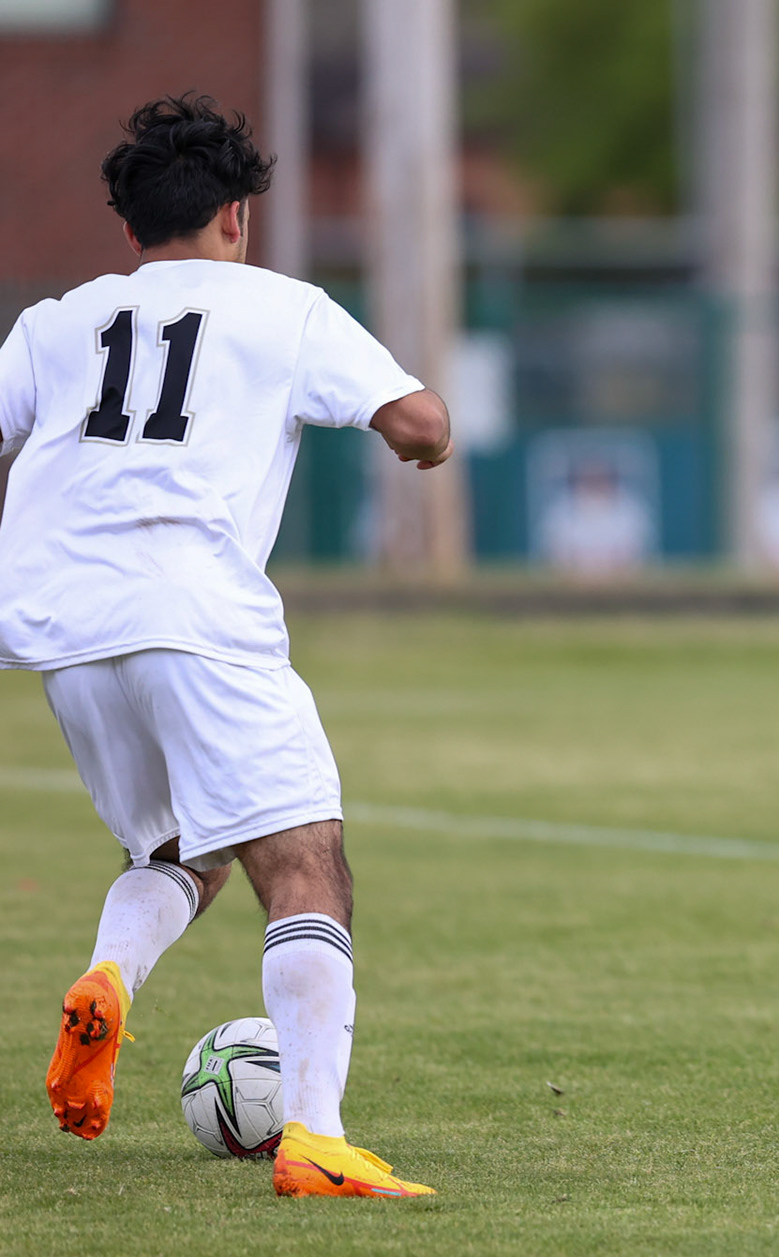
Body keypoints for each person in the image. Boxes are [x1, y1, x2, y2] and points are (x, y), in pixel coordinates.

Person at [0, 95, 447, 1194]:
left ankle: (110, 973)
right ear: (238, 217)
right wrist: (421, 449)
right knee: (305, 861)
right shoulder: (283, 310)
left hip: (68, 627)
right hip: (196, 614)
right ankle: (317, 1137)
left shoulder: (56, 321)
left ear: (129, 228)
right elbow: (420, 422)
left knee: (177, 851)